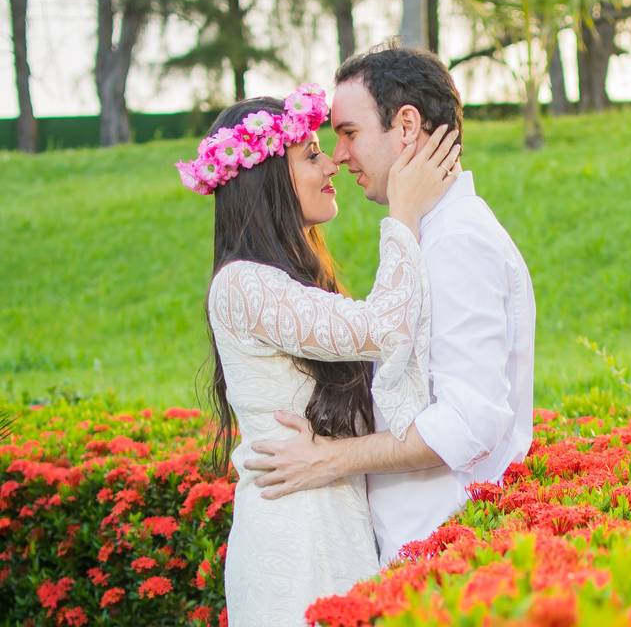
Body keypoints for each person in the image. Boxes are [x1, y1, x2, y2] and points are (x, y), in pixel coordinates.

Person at [175, 84, 459, 625]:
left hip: (332, 526)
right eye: (309, 155)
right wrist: (404, 214)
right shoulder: (243, 287)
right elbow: (386, 327)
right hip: (295, 543)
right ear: (266, 180)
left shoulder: (292, 281)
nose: (330, 163)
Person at [244, 45, 537, 566]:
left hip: (441, 551)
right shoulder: (431, 235)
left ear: (406, 126)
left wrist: (330, 459)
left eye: (350, 133)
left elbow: (469, 421)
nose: (338, 155)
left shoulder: (457, 242)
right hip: (415, 548)